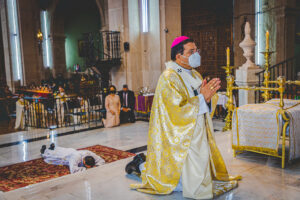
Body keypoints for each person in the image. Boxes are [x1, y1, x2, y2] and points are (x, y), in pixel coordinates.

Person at [129, 36, 241, 199]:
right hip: (182, 132)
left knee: (199, 160)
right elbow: (175, 108)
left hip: (197, 127)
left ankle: (143, 164)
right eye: (191, 51)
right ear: (178, 56)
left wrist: (208, 97)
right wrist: (202, 98)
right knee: (176, 174)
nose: (196, 54)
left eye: (197, 50)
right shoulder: (169, 77)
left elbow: (202, 98)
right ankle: (139, 164)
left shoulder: (194, 74)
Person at [40, 143, 105, 174]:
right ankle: (44, 151)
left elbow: (101, 161)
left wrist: (96, 166)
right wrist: (85, 169)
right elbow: (73, 170)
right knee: (53, 156)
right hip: (67, 157)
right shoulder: (75, 158)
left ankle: (53, 148)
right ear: (84, 162)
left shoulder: (90, 154)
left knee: (61, 150)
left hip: (72, 151)